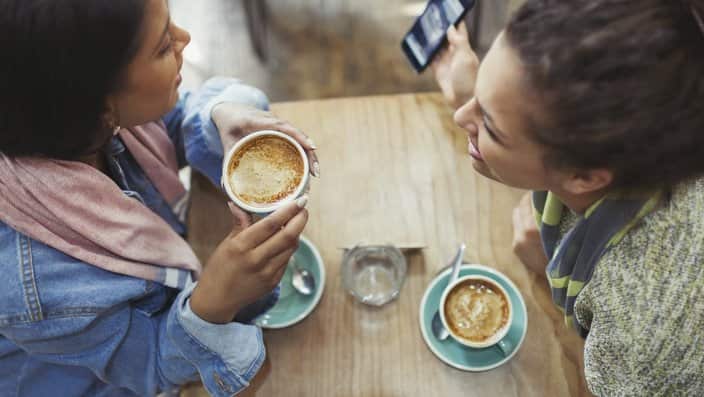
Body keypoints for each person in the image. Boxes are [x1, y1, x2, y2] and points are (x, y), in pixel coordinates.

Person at [0, 0, 319, 396]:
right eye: (164, 46)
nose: (185, 38)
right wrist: (214, 303)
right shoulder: (38, 285)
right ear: (99, 103)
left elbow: (170, 124)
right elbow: (151, 365)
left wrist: (219, 114)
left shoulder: (73, 125)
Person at [432, 0, 704, 395]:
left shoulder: (640, 336)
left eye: (490, 124)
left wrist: (547, 271)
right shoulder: (640, 130)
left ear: (583, 176)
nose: (461, 119)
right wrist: (483, 98)